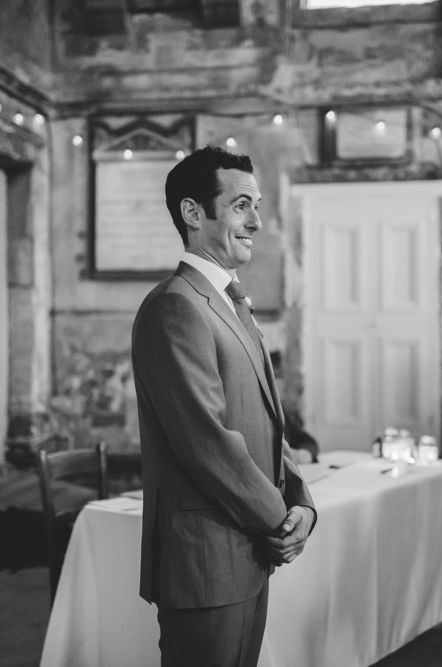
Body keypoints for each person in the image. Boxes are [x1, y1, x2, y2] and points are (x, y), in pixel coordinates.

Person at [131, 145, 316, 666]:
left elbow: (266, 424)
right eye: (240, 205)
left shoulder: (230, 301)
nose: (256, 221)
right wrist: (280, 520)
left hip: (247, 549)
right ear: (194, 213)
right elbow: (207, 441)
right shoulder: (176, 305)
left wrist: (303, 503)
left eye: (256, 205)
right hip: (206, 555)